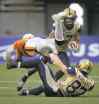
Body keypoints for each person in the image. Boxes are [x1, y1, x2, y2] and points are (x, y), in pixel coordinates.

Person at [19, 59, 95, 97]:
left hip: (54, 91)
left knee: (41, 63)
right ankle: (26, 92)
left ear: (81, 66)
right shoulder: (91, 83)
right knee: (46, 85)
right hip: (63, 94)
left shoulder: (75, 71)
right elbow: (88, 86)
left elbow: (62, 69)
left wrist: (55, 60)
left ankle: (18, 66)